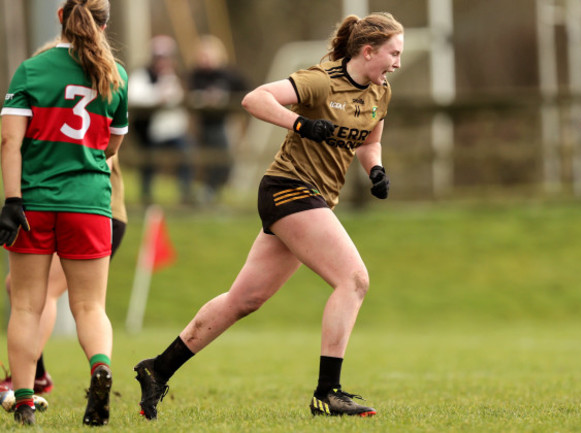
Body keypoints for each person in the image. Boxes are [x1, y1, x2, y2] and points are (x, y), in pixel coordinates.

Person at [133, 12, 402, 419]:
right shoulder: (321, 80)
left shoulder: (380, 92)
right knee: (354, 279)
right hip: (288, 189)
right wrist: (301, 124)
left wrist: (375, 170)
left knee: (244, 299)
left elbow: (369, 141)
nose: (397, 62)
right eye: (393, 53)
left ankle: (157, 369)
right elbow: (254, 98)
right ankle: (327, 393)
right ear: (368, 51)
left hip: (313, 199)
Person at [0, 0, 128, 425]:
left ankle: (22, 401)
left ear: (61, 17)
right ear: (105, 23)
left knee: (25, 306)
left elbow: (9, 143)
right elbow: (111, 148)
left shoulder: (31, 71)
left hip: (34, 202)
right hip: (91, 204)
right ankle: (100, 366)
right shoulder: (116, 76)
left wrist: (12, 200)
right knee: (90, 307)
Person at [0, 155, 128, 396]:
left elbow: (105, 154)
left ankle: (22, 383)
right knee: (16, 287)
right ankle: (36, 375)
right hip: (69, 207)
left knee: (51, 294)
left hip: (93, 210)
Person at [129, 35, 194, 206]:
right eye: (159, 57)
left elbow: (179, 99)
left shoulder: (175, 76)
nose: (162, 61)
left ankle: (186, 194)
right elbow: (135, 97)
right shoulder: (141, 75)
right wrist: (158, 96)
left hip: (171, 131)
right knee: (148, 162)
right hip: (148, 131)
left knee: (187, 154)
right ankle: (146, 196)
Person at [188, 35, 248, 205]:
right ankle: (207, 193)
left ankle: (212, 192)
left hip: (226, 123)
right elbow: (190, 95)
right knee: (208, 161)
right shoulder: (196, 74)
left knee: (225, 161)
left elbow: (246, 90)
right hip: (203, 125)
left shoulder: (229, 74)